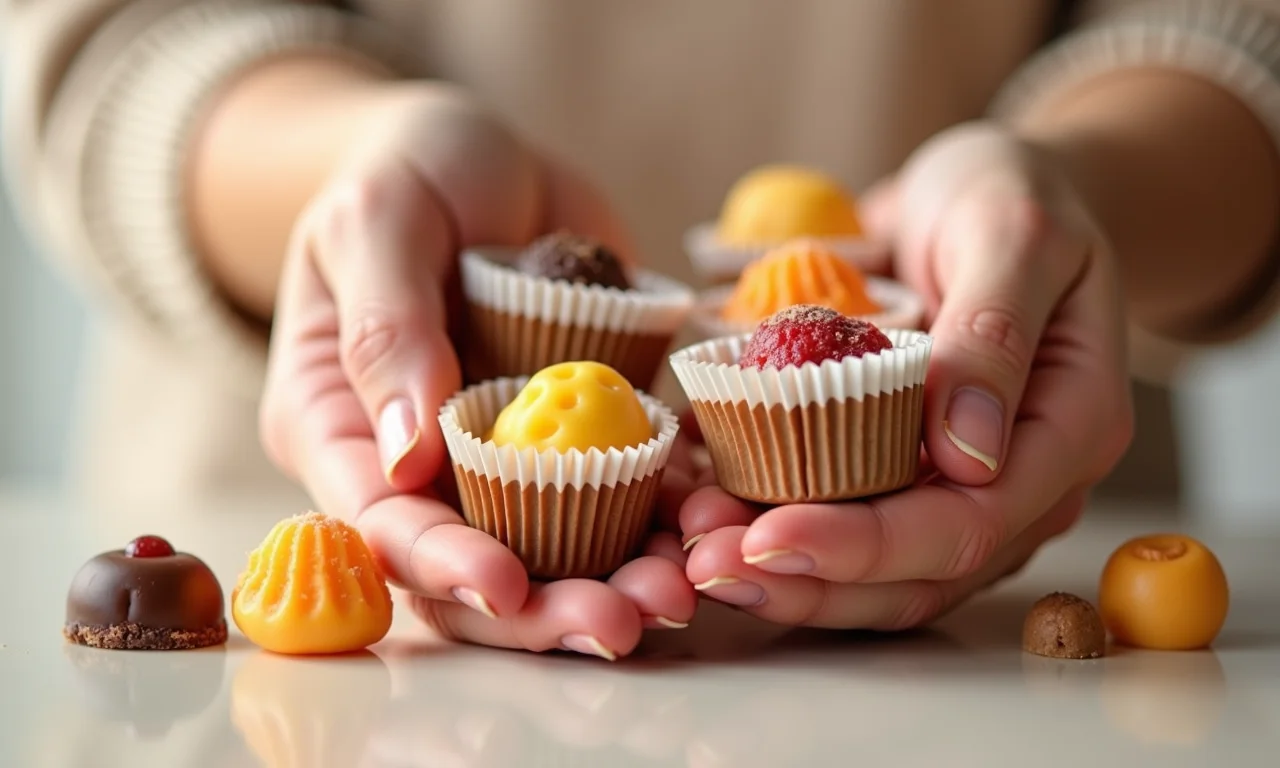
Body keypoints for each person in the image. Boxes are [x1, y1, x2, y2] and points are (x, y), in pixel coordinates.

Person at [4, 0, 1278, 660]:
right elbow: (101, 32)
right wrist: (348, 172)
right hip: (307, 588)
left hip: (1010, 611)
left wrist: (1070, 204)